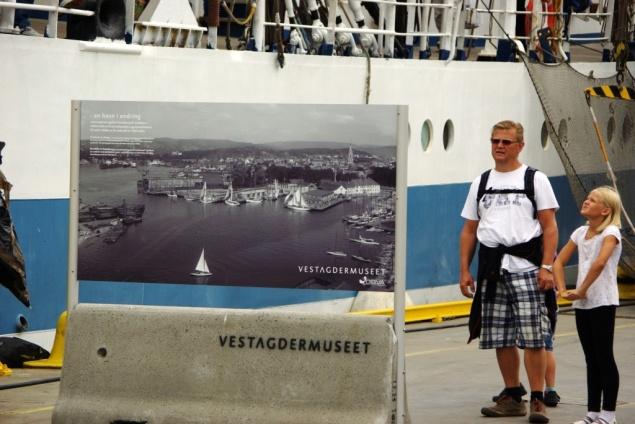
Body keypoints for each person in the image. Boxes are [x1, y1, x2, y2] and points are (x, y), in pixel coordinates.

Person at [459, 120, 559, 423]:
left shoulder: (535, 179)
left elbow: (550, 227)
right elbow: (469, 229)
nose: (499, 146)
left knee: (534, 337)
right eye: (495, 141)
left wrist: (546, 267)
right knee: (499, 337)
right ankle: (513, 395)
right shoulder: (481, 182)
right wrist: (464, 269)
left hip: (527, 268)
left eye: (506, 141)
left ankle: (538, 399)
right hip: (491, 269)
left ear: (520, 145)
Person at [553, 186, 622, 424]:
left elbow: (600, 263)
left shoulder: (611, 232)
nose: (586, 201)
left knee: (604, 357)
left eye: (592, 200)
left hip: (602, 301)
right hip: (583, 305)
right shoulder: (580, 232)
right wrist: (562, 290)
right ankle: (592, 413)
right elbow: (559, 261)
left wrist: (582, 290)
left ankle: (609, 415)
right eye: (587, 198)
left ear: (605, 210)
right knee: (590, 358)